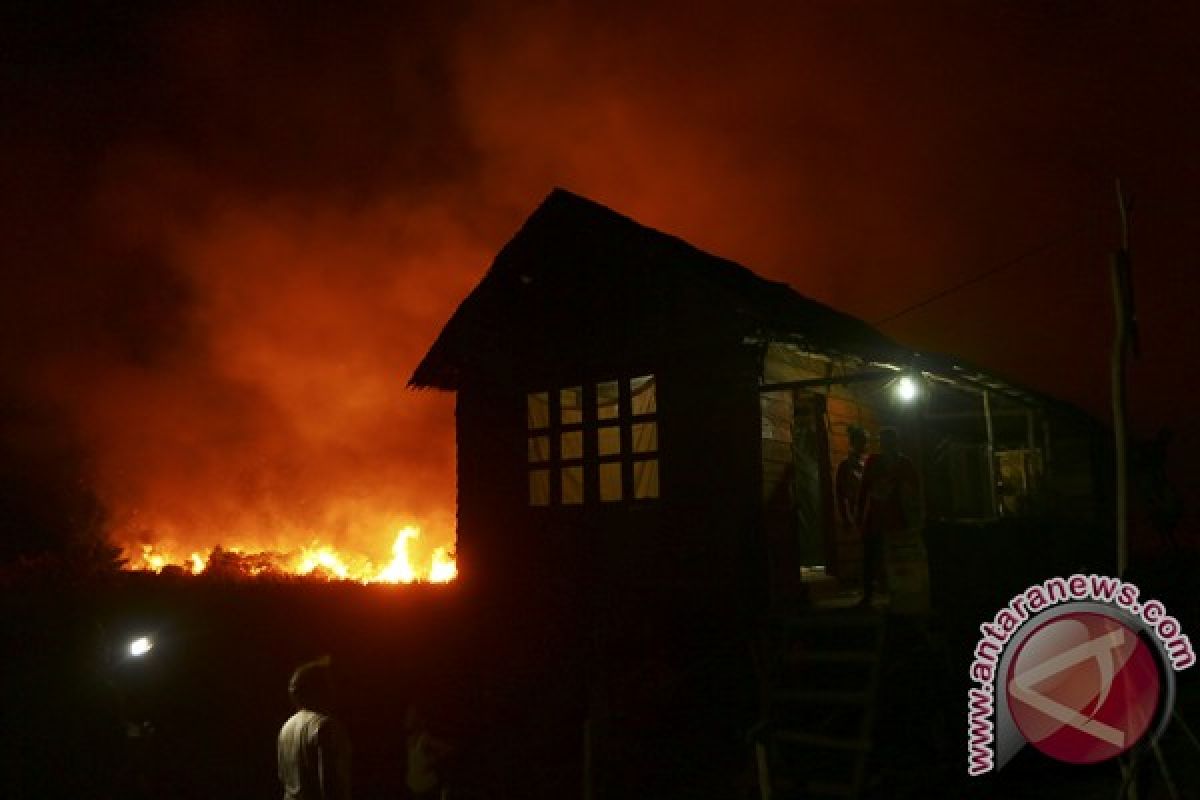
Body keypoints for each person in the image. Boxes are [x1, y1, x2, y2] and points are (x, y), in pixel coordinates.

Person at [855, 427, 919, 606]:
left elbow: (914, 491)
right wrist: (860, 513)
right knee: (871, 555)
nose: (884, 445)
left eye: (887, 441)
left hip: (896, 518)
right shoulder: (874, 462)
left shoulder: (903, 463)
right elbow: (864, 489)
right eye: (883, 442)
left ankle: (896, 592)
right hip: (877, 517)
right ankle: (869, 593)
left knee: (895, 557)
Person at [278, 658, 352, 800]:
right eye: (328, 684)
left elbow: (283, 777)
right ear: (319, 689)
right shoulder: (324, 725)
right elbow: (329, 782)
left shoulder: (286, 727)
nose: (333, 689)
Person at [835, 424, 869, 532]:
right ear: (853, 443)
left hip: (871, 514)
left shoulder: (869, 464)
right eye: (862, 441)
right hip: (855, 514)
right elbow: (840, 495)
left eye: (866, 441)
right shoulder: (845, 465)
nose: (865, 444)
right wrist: (846, 517)